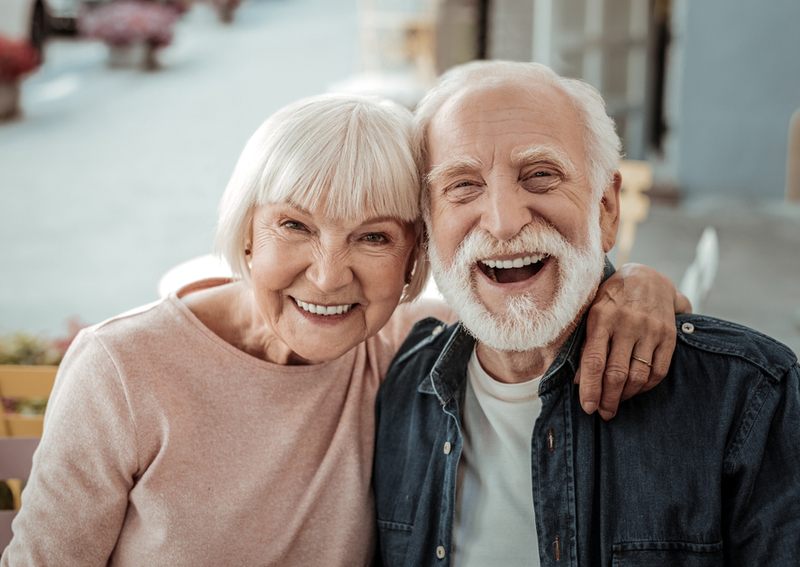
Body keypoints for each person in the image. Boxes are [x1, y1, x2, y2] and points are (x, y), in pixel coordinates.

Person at [3, 94, 683, 567]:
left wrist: (638, 285)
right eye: (293, 225)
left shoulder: (404, 348)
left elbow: (542, 301)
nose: (329, 277)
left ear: (415, 259)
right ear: (246, 232)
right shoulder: (121, 369)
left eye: (372, 237)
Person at [373, 61, 800, 566]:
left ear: (607, 208)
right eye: (463, 185)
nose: (504, 222)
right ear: (427, 226)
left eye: (540, 175)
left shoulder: (747, 397)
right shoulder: (398, 384)